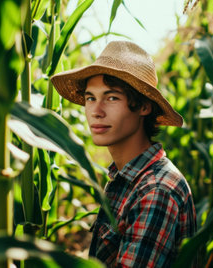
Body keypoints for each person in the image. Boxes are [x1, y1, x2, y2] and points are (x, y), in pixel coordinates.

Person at [51, 41, 196, 267]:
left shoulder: (156, 190)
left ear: (144, 107)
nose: (96, 112)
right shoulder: (126, 177)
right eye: (90, 98)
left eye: (112, 98)